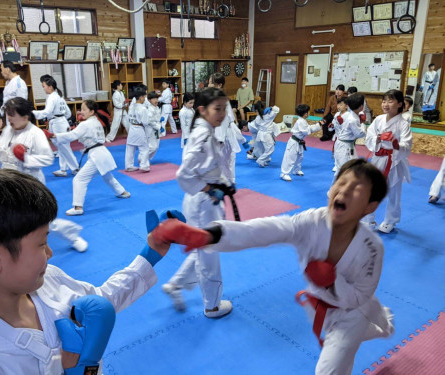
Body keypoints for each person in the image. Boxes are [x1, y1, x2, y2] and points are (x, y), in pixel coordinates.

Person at [152, 158, 394, 375]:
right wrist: (208, 235)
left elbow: (360, 295)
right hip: (323, 304)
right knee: (376, 324)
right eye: (341, 183)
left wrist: (332, 281)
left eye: (356, 189)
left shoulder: (372, 248)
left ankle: (376, 326)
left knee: (330, 368)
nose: (344, 191)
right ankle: (382, 324)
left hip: (352, 312)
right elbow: (266, 230)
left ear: (370, 207)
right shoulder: (312, 222)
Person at [0, 168, 176, 374]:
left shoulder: (48, 280)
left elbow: (101, 299)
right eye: (41, 243)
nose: (50, 253)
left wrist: (151, 254)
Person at [0, 97, 88, 252]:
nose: (8, 118)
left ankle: (73, 236)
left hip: (31, 182)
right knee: (10, 217)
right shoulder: (9, 130)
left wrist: (25, 158)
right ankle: (15, 248)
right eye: (7, 114)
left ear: (25, 116)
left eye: (12, 114)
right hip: (10, 179)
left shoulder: (36, 133)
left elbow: (48, 158)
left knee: (44, 219)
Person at [162, 87, 233, 318]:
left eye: (224, 108)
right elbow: (184, 174)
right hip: (204, 202)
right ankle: (212, 305)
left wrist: (223, 183)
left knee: (203, 247)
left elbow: (208, 167)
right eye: (217, 109)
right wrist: (210, 187)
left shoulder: (207, 130)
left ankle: (175, 284)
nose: (221, 114)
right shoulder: (202, 135)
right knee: (210, 252)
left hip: (203, 199)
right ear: (202, 110)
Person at [45, 100, 130, 216]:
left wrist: (54, 135)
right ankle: (122, 192)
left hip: (97, 155)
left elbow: (72, 136)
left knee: (79, 179)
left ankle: (78, 207)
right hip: (102, 152)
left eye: (84, 109)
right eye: (81, 109)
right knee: (107, 176)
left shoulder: (86, 124)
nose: (81, 112)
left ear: (92, 111)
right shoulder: (96, 121)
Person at [365, 89, 412, 233]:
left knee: (393, 192)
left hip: (394, 161)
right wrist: (377, 139)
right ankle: (369, 219)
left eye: (390, 101)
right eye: (384, 101)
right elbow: (369, 136)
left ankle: (391, 220)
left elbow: (407, 145)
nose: (386, 104)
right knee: (371, 189)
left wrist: (396, 143)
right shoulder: (378, 119)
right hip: (378, 158)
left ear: (399, 104)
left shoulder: (403, 124)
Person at [33, 75, 79, 177]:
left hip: (58, 124)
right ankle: (63, 169)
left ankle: (75, 168)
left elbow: (46, 112)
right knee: (62, 147)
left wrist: (32, 113)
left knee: (64, 147)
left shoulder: (52, 98)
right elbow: (68, 113)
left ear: (50, 87)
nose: (43, 88)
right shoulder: (58, 97)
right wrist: (61, 119)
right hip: (61, 122)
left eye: (44, 86)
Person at [209, 73, 248, 183]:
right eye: (209, 82)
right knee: (223, 160)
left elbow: (230, 123)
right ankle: (226, 180)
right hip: (218, 135)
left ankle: (228, 180)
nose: (209, 84)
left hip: (224, 136)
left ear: (219, 85)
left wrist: (241, 139)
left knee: (227, 159)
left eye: (211, 82)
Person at [280, 104, 321, 182]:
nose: (309, 113)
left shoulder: (302, 120)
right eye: (308, 112)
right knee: (290, 157)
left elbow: (308, 128)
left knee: (300, 156)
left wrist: (319, 125)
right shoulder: (300, 121)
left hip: (299, 141)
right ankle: (284, 173)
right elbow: (306, 131)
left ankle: (296, 170)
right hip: (294, 141)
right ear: (306, 114)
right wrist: (317, 126)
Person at [331, 93, 366, 177]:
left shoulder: (351, 115)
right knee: (343, 170)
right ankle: (334, 189)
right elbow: (359, 134)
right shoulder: (352, 118)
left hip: (347, 144)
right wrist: (363, 125)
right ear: (361, 106)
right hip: (344, 145)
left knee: (353, 166)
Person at [125, 87, 151, 172]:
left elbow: (128, 118)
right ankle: (144, 165)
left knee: (130, 147)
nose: (145, 99)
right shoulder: (143, 108)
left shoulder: (132, 106)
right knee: (144, 148)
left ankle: (128, 165)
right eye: (144, 97)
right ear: (141, 97)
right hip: (139, 128)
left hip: (132, 128)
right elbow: (146, 122)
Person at [253, 103, 281, 168]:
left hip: (259, 134)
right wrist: (271, 108)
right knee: (270, 149)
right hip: (266, 135)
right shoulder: (269, 115)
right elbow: (277, 109)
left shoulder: (258, 117)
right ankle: (260, 160)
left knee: (262, 150)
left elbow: (256, 125)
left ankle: (263, 161)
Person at [144, 91, 162, 160]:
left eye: (156, 99)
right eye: (154, 99)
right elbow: (150, 121)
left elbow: (157, 118)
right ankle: (142, 158)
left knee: (156, 146)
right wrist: (158, 126)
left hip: (156, 129)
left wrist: (160, 121)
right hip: (151, 129)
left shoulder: (157, 107)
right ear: (149, 100)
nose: (156, 100)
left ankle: (146, 159)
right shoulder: (150, 109)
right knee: (152, 147)